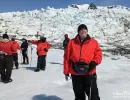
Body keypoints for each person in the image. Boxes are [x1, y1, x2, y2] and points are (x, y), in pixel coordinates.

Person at [64, 24, 102, 100]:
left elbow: (99, 54)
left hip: (90, 73)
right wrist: (66, 72)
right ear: (78, 32)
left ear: (87, 31)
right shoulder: (71, 42)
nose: (83, 30)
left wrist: (94, 62)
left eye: (85, 29)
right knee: (79, 96)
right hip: (75, 74)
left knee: (93, 96)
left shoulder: (93, 42)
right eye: (81, 29)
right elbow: (66, 58)